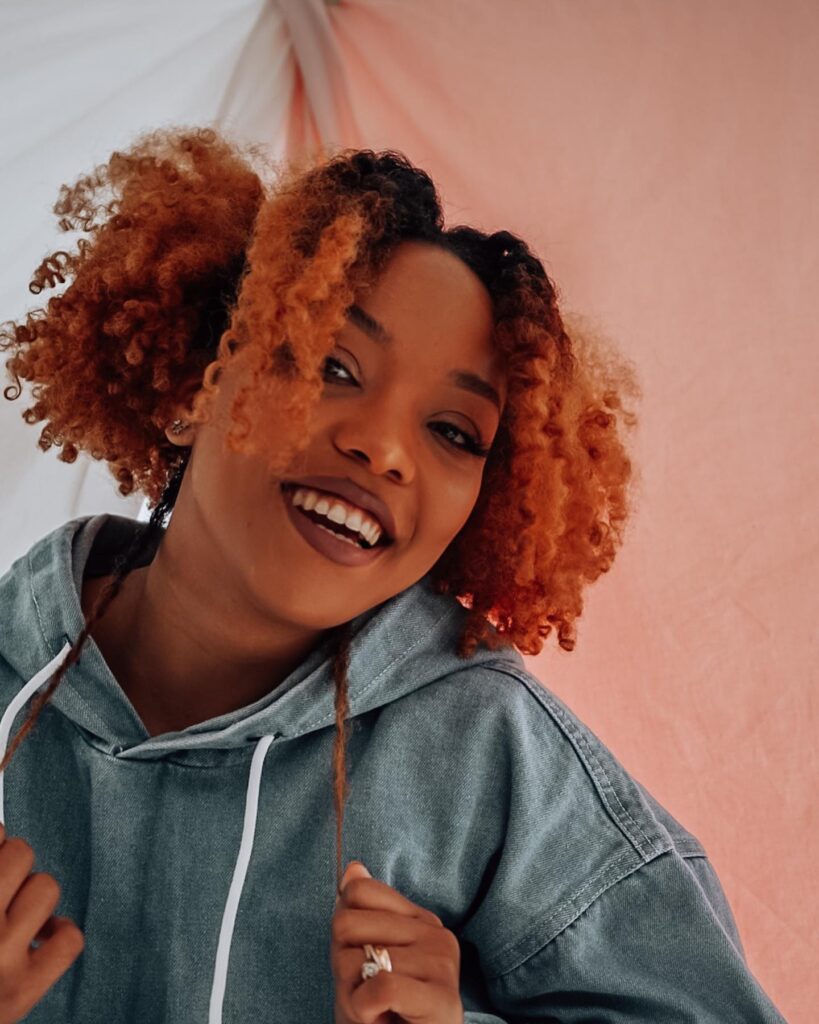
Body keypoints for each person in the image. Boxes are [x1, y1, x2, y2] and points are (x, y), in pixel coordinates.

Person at [0, 126, 786, 1023]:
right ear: (193, 384)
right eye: (333, 366)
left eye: (453, 432)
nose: (380, 446)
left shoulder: (490, 753)